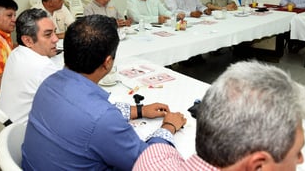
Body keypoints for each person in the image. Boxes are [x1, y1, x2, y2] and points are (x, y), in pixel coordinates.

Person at [22, 15, 186, 170]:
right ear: (107, 63)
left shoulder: (49, 83)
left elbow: (85, 114)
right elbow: (149, 162)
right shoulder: (103, 118)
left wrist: (139, 110)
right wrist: (168, 127)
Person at [133, 61, 305, 171]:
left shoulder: (153, 156)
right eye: (297, 151)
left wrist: (167, 128)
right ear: (258, 166)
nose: (301, 159)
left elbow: (159, 148)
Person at [0, 9, 62, 124]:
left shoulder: (16, 53)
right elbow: (69, 102)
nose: (56, 39)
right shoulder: (43, 66)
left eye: (54, 32)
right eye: (48, 34)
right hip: (24, 133)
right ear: (27, 40)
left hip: (9, 126)